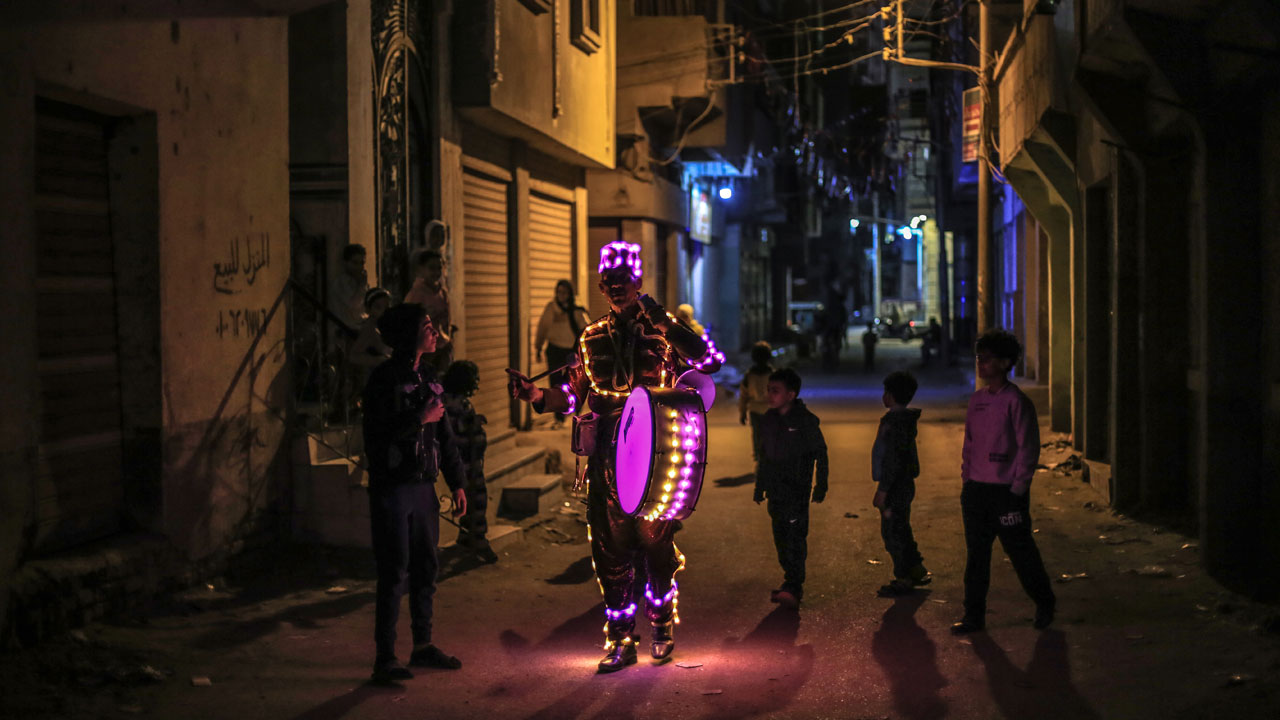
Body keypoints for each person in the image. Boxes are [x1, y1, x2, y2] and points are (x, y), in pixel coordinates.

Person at [506, 241, 722, 673]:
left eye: (622, 281)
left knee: (656, 542)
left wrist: (667, 325)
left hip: (659, 453)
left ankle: (662, 626)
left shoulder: (664, 331)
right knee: (610, 548)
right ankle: (621, 640)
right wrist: (535, 395)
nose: (615, 289)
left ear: (638, 282)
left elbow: (711, 362)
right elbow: (571, 397)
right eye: (608, 283)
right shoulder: (590, 337)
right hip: (607, 453)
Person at [362, 303, 468, 683]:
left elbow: (445, 436)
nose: (434, 331)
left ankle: (422, 645)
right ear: (409, 334)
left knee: (426, 568)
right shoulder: (384, 380)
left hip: (424, 488)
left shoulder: (428, 374)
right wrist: (418, 418)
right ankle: (385, 657)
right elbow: (376, 436)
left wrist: (456, 482)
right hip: (393, 489)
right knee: (394, 572)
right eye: (427, 326)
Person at [952, 329, 1055, 634]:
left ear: (1005, 363)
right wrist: (967, 480)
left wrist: (1018, 488)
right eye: (979, 358)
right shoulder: (977, 401)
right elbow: (969, 443)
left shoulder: (1016, 402)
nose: (981, 364)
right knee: (977, 558)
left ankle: (1044, 601)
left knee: (1021, 553)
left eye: (987, 359)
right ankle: (973, 616)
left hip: (1006, 494)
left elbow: (1028, 447)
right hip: (976, 492)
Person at [753, 367, 828, 609]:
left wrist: (821, 484)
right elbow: (764, 457)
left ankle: (795, 584)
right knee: (781, 538)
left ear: (791, 394)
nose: (769, 395)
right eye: (768, 390)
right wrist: (760, 486)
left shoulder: (805, 422)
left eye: (775, 391)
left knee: (795, 537)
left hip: (797, 491)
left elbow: (821, 453)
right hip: (775, 491)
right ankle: (789, 580)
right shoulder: (768, 419)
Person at [871, 370, 930, 597]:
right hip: (903, 484)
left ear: (890, 396)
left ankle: (903, 577)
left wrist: (883, 490)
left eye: (885, 392)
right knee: (902, 528)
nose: (883, 396)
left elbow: (892, 460)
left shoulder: (894, 424)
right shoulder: (904, 421)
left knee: (892, 532)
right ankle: (915, 568)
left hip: (894, 487)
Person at [440, 359, 498, 565]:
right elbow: (451, 435)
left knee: (476, 499)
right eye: (474, 380)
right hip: (462, 462)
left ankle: (467, 537)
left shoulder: (461, 401)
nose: (477, 385)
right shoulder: (450, 403)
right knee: (476, 498)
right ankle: (478, 539)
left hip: (470, 460)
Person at [534, 279, 590, 426]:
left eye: (564, 292)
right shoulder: (552, 308)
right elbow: (543, 327)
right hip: (554, 349)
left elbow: (586, 329)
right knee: (555, 382)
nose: (561, 295)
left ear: (570, 293)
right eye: (559, 292)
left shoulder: (577, 309)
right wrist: (538, 346)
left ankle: (576, 411)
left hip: (571, 352)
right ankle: (559, 417)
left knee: (574, 381)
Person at [404, 249, 453, 371]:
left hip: (442, 347)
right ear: (421, 269)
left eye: (439, 268)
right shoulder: (416, 294)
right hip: (425, 352)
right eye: (431, 268)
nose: (436, 272)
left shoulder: (442, 293)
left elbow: (447, 321)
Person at [738, 341, 775, 464]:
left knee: (757, 435)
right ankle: (767, 457)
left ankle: (758, 456)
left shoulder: (749, 375)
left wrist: (742, 412)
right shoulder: (773, 375)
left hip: (754, 410)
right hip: (770, 410)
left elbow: (744, 396)